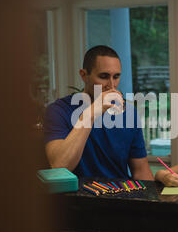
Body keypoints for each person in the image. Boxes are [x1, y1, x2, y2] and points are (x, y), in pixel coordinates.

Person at [44, 45, 154, 180]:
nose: (111, 85)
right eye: (104, 76)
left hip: (120, 195)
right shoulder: (59, 111)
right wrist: (91, 113)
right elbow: (59, 166)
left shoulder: (129, 113)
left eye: (116, 76)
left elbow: (141, 172)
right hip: (78, 198)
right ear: (84, 75)